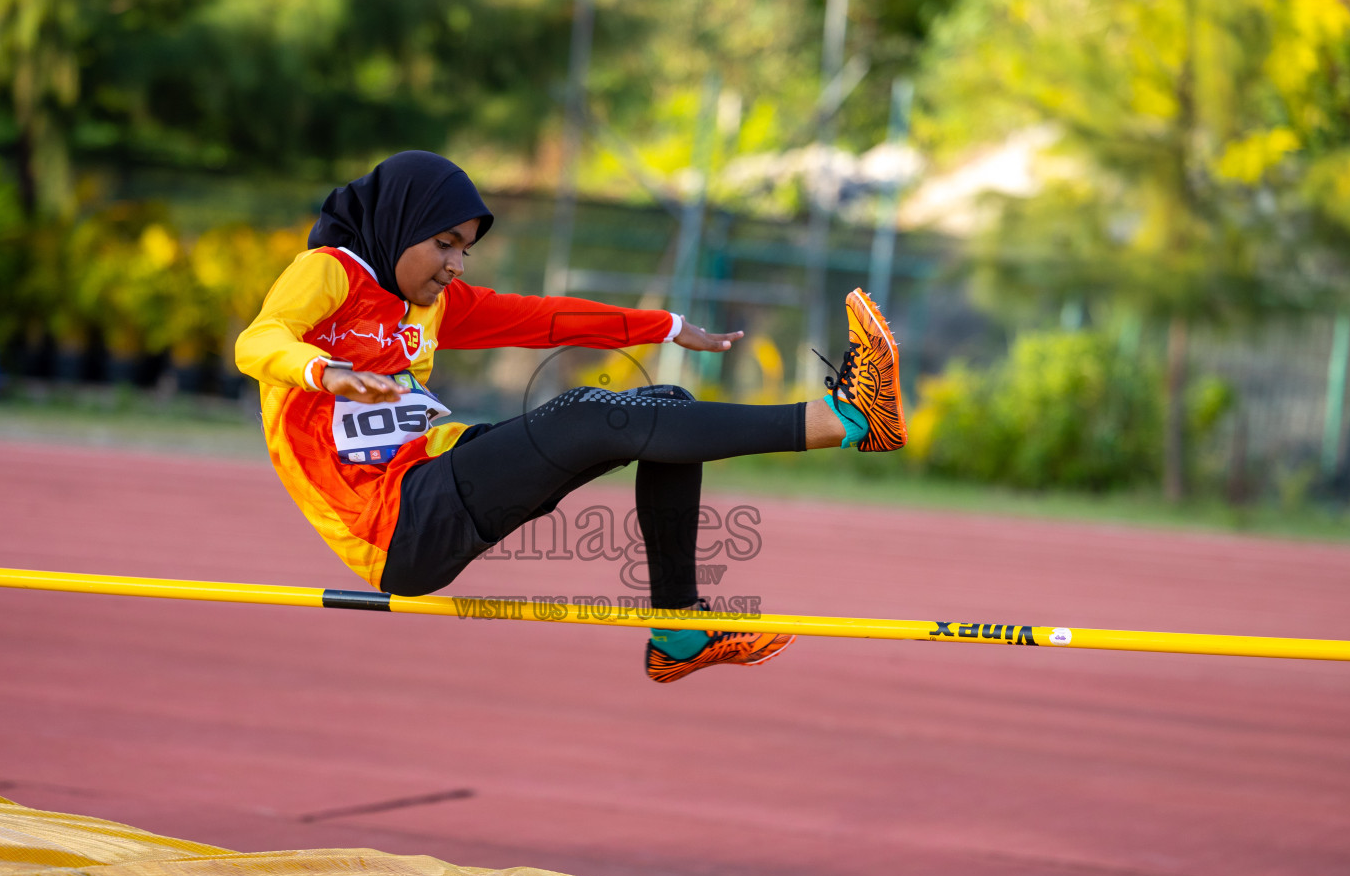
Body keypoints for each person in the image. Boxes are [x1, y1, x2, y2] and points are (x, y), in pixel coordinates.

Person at [236, 151, 906, 683]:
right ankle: (844, 419)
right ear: (401, 225)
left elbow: (546, 319)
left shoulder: (431, 303)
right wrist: (324, 371)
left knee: (663, 409)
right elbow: (257, 342)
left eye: (465, 249)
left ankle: (679, 634)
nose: (455, 265)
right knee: (584, 416)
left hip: (434, 472)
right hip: (390, 523)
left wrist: (667, 326)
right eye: (444, 244)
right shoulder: (329, 274)